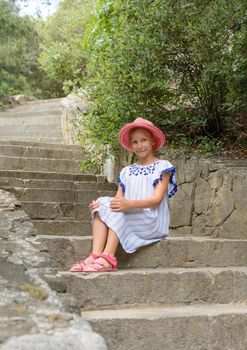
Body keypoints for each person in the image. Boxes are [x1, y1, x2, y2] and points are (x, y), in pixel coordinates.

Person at [69, 117, 177, 273]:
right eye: (135, 142)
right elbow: (118, 200)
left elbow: (156, 199)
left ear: (153, 141)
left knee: (121, 208)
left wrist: (128, 204)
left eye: (143, 140)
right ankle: (95, 255)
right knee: (104, 202)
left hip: (152, 220)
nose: (139, 146)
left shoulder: (162, 166)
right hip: (131, 213)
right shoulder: (126, 171)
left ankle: (108, 258)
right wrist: (102, 205)